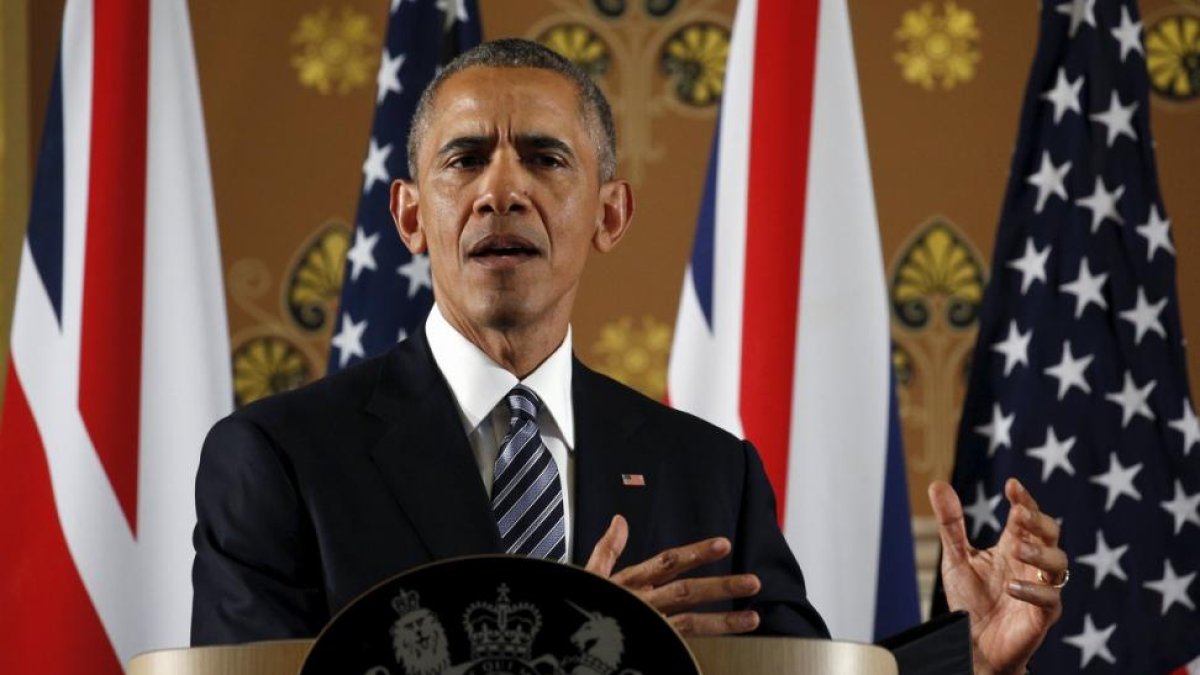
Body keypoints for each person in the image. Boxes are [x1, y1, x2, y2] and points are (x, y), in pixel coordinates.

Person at [192, 39, 1067, 673]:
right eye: (465, 159)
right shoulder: (276, 460)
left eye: (544, 157)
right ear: (413, 215)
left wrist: (966, 652)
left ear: (610, 215)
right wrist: (569, 657)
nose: (503, 190)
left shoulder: (708, 474)